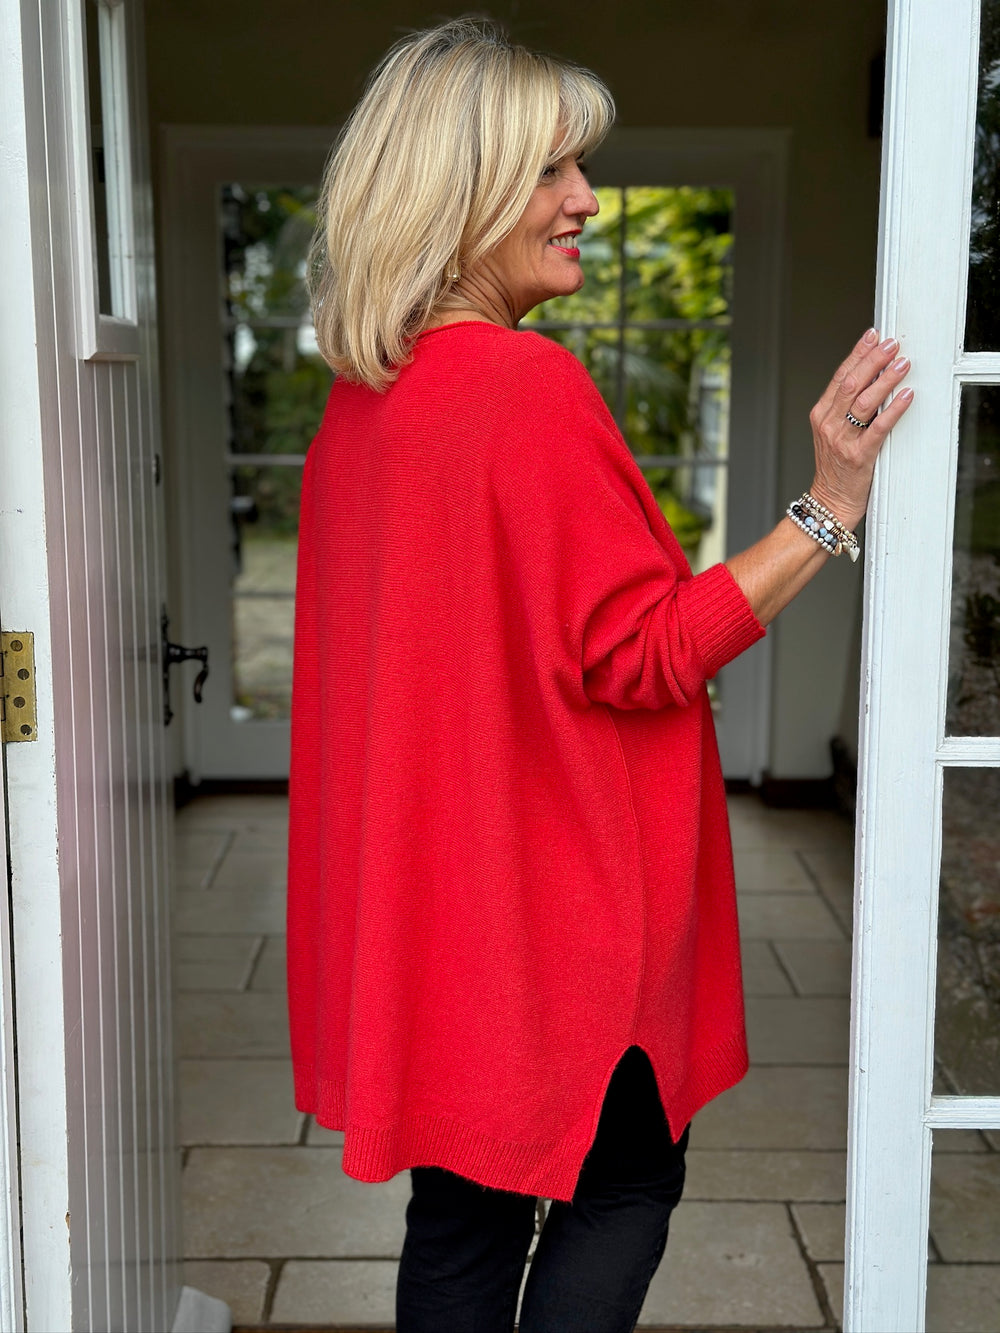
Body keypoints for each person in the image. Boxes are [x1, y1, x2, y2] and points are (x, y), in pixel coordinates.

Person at [287, 17, 913, 1333]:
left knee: (461, 1212)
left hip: (440, 909)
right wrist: (828, 507)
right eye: (549, 171)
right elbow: (645, 653)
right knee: (625, 1176)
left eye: (581, 166)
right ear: (458, 193)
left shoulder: (363, 400)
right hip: (558, 908)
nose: (584, 198)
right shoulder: (522, 384)